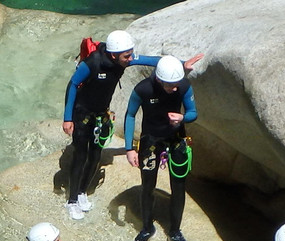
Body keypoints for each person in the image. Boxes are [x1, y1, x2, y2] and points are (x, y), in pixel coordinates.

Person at [63, 32, 201, 222]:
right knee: (81, 155)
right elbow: (72, 85)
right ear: (113, 55)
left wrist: (181, 64)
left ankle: (81, 192)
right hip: (82, 112)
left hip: (100, 113)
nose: (131, 59)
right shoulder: (92, 63)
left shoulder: (123, 59)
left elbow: (153, 61)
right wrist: (67, 118)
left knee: (95, 154)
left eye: (131, 54)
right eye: (127, 56)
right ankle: (71, 201)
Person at [124, 54, 198, 241]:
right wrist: (129, 148)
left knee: (179, 187)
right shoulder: (143, 89)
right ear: (159, 79)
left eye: (177, 84)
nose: (175, 89)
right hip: (151, 140)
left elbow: (193, 112)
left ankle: (175, 231)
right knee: (148, 185)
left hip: (175, 139)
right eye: (170, 85)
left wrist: (182, 117)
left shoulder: (183, 86)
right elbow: (130, 115)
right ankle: (147, 227)